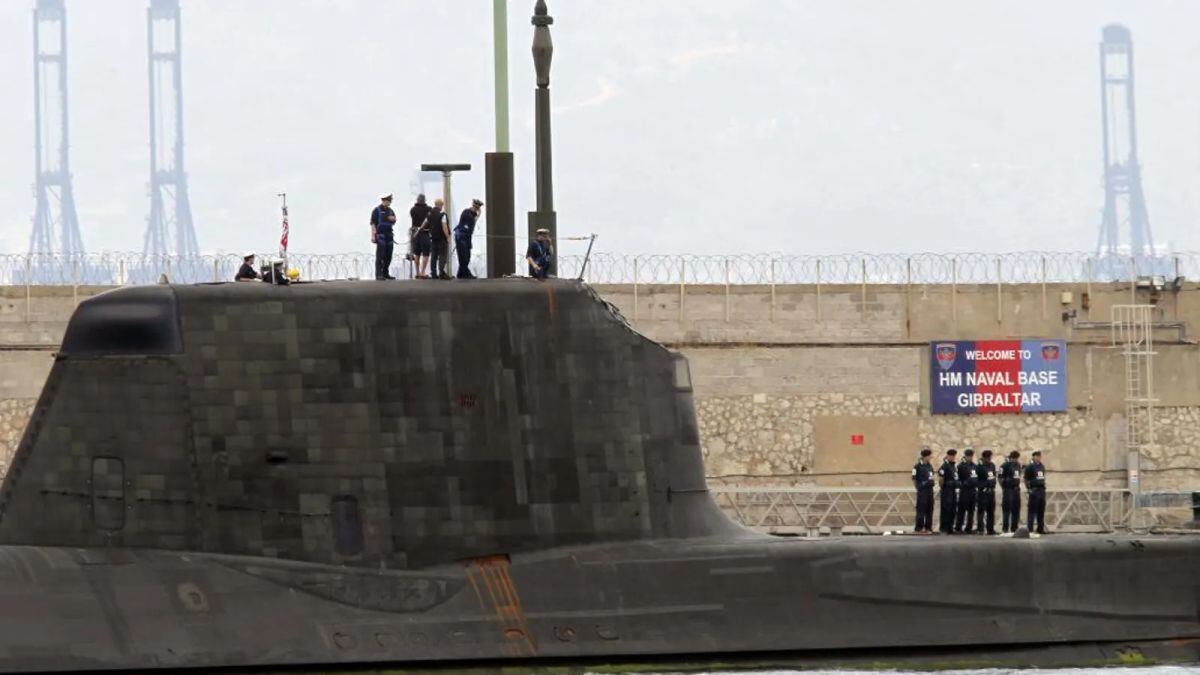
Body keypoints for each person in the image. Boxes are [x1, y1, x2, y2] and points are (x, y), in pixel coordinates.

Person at [454, 198, 484, 279]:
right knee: (463, 256)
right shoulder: (466, 213)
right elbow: (472, 220)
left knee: (467, 256)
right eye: (476, 208)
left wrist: (477, 214)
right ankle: (467, 274)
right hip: (461, 237)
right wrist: (478, 214)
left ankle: (460, 274)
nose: (476, 210)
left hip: (467, 237)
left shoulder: (472, 214)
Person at [370, 194, 398, 280]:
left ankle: (386, 273)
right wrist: (373, 235)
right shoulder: (377, 210)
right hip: (380, 235)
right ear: (384, 200)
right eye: (388, 201)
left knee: (388, 255)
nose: (389, 202)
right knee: (380, 255)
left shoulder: (390, 210)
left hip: (389, 235)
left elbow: (394, 220)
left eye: (390, 201)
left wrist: (393, 219)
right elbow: (373, 223)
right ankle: (379, 274)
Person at [911, 448, 935, 534]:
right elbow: (914, 478)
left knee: (929, 509)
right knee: (921, 509)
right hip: (922, 491)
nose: (930, 457)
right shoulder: (917, 466)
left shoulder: (929, 466)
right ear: (925, 456)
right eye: (929, 456)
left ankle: (928, 527)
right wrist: (918, 487)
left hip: (930, 490)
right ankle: (919, 528)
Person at [426, 198, 451, 280]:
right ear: (441, 205)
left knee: (434, 256)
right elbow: (444, 226)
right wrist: (448, 236)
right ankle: (441, 273)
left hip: (433, 239)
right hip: (442, 239)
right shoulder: (442, 215)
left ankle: (433, 273)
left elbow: (425, 223)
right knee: (442, 256)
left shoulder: (429, 214)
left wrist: (418, 231)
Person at [974, 449, 998, 535]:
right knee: (981, 511)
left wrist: (992, 484)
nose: (990, 459)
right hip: (983, 492)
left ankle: (990, 529)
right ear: (985, 458)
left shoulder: (992, 465)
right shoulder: (979, 467)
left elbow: (994, 476)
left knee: (991, 511)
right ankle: (980, 528)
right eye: (989, 457)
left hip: (991, 491)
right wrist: (984, 485)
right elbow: (976, 480)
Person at [954, 448, 977, 534]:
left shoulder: (974, 466)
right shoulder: (961, 466)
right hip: (965, 491)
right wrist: (963, 484)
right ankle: (958, 527)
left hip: (973, 490)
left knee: (971, 510)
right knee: (962, 510)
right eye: (968, 456)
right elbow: (957, 479)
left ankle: (969, 528)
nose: (970, 458)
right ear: (966, 456)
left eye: (971, 456)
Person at [1024, 450, 1047, 534]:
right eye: (1037, 456)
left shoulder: (1041, 466)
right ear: (1033, 457)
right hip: (1034, 490)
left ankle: (1040, 528)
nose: (1038, 458)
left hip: (1041, 490)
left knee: (1041, 510)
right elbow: (1026, 479)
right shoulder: (1030, 467)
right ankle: (1030, 529)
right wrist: (1029, 489)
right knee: (1032, 511)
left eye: (1039, 456)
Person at [999, 450, 1022, 533]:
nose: (1015, 460)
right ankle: (1005, 528)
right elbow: (1000, 478)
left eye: (1016, 458)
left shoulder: (1018, 465)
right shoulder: (1004, 466)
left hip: (1016, 489)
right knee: (1006, 510)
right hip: (1008, 489)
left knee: (1016, 509)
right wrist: (1004, 487)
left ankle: (1014, 528)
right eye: (1014, 458)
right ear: (1011, 458)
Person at [937, 448, 958, 535]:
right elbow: (941, 479)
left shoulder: (953, 466)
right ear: (948, 456)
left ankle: (950, 527)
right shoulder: (944, 466)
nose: (953, 457)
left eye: (954, 456)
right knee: (946, 509)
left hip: (953, 490)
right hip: (947, 491)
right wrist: (944, 488)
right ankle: (944, 528)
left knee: (953, 510)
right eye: (951, 456)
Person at [408, 194, 431, 268]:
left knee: (417, 253)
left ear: (417, 200)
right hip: (425, 232)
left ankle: (418, 272)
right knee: (426, 253)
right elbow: (430, 220)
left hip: (415, 232)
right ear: (425, 200)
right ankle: (422, 272)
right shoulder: (429, 209)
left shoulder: (413, 209)